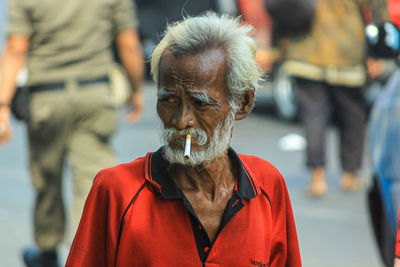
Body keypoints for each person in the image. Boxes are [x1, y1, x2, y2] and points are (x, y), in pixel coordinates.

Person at [66, 12, 301, 267]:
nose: (181, 121)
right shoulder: (117, 190)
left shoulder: (267, 185)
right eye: (169, 100)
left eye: (200, 103)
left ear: (242, 103)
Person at [0, 0, 144, 266]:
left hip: (46, 98)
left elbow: (16, 48)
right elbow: (128, 43)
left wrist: (3, 104)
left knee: (46, 177)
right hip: (94, 95)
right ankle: (92, 252)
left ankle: (47, 251)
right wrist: (136, 89)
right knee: (93, 180)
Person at [278, 0, 389, 196]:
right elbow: (378, 6)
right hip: (348, 52)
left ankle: (317, 177)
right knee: (353, 116)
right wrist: (379, 50)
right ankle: (350, 175)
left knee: (313, 117)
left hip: (307, 49)